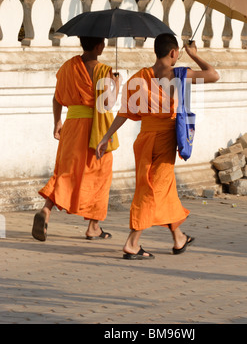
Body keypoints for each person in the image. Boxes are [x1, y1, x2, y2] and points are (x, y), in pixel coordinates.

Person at [95, 34, 219, 259]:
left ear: (155, 51)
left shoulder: (138, 77)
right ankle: (132, 243)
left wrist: (106, 136)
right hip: (164, 139)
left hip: (144, 139)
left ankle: (178, 238)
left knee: (163, 187)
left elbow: (124, 112)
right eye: (178, 54)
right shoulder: (178, 75)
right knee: (154, 189)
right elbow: (214, 75)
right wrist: (194, 54)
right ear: (173, 53)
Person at [32, 36, 120, 242]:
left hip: (72, 125)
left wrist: (57, 122)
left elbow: (57, 97)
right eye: (103, 43)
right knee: (99, 174)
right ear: (99, 46)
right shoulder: (105, 71)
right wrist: (116, 84)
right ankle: (93, 227)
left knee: (65, 171)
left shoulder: (68, 67)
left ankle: (46, 210)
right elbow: (107, 105)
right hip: (97, 130)